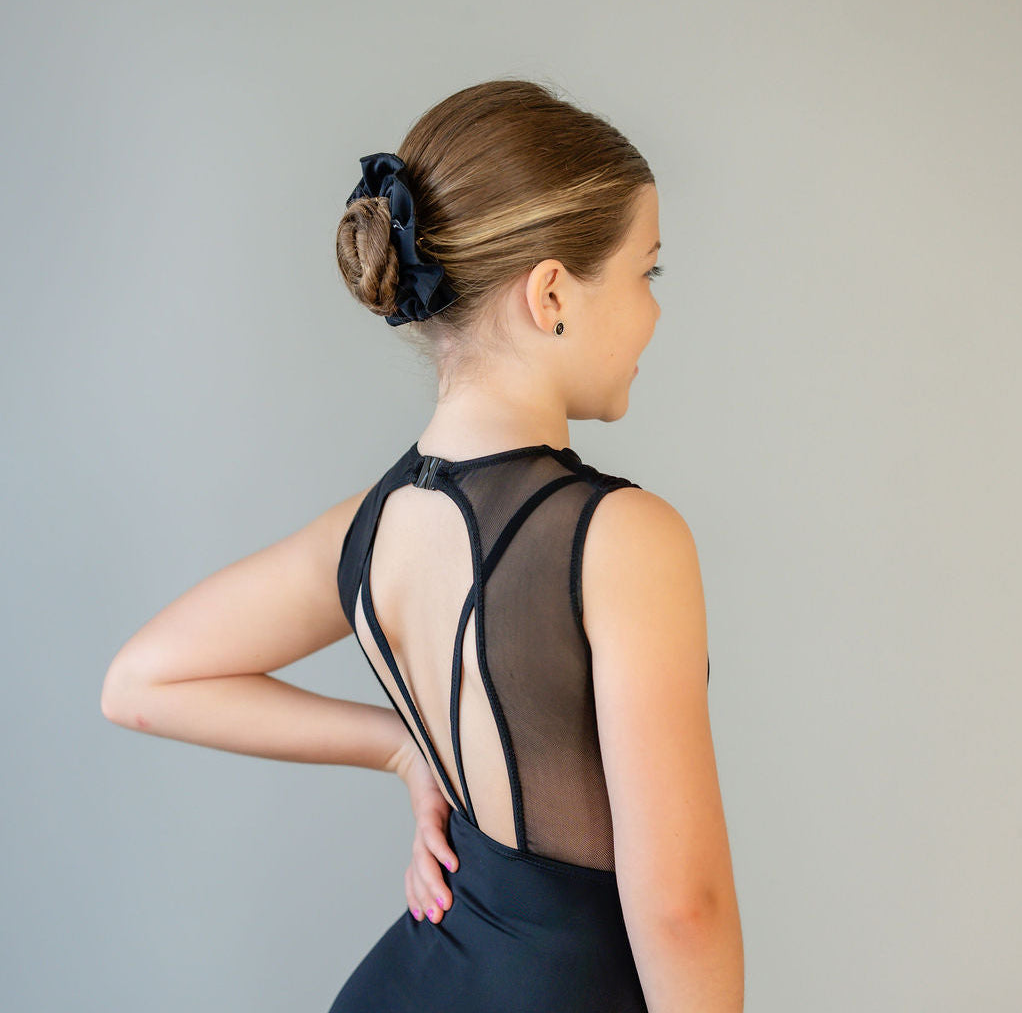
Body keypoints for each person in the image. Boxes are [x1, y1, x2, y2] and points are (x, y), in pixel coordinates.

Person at [101, 78, 744, 1012]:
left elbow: (140, 682)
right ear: (552, 293)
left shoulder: (371, 525)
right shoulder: (623, 538)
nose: (653, 310)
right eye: (648, 272)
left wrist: (404, 751)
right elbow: (683, 911)